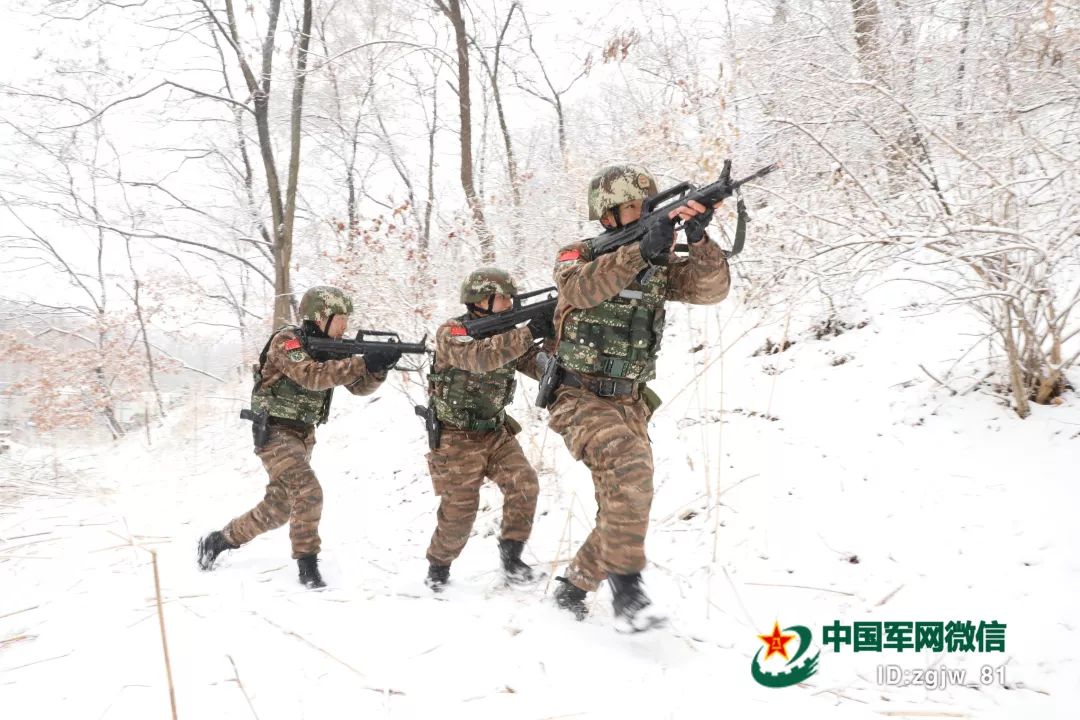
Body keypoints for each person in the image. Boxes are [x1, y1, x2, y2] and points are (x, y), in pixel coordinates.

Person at [547, 164, 731, 630]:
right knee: (630, 470)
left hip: (630, 401)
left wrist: (699, 239)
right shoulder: (578, 254)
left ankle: (573, 588)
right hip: (577, 395)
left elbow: (711, 290)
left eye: (647, 205)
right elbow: (579, 290)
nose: (643, 212)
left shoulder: (658, 261)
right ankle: (628, 595)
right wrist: (639, 251)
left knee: (628, 498)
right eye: (633, 206)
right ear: (607, 214)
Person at [197, 286, 402, 588]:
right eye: (340, 318)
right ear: (320, 317)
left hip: (303, 436)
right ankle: (308, 568)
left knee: (278, 509)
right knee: (308, 492)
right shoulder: (287, 341)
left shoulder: (333, 346)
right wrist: (363, 362)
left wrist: (378, 369)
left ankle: (220, 540)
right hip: (275, 432)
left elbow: (359, 388)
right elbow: (311, 376)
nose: (345, 325)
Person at [422, 268, 552, 591]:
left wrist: (552, 339)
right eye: (502, 297)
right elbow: (480, 358)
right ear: (480, 300)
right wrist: (528, 332)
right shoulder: (452, 333)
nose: (509, 303)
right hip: (455, 437)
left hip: (495, 432)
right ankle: (438, 572)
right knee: (459, 513)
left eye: (510, 297)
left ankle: (512, 561)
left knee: (524, 483)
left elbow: (537, 364)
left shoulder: (509, 335)